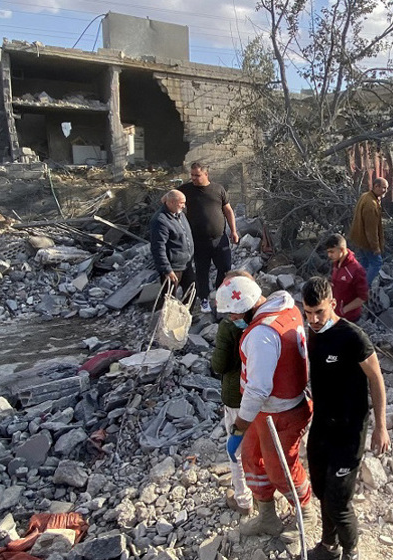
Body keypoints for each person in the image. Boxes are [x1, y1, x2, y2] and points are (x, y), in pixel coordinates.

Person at [217, 272, 313, 537]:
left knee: (281, 468)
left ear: (245, 307)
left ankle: (305, 512)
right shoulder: (286, 308)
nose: (232, 320)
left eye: (234, 315)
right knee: (252, 458)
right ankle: (267, 517)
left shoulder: (261, 334)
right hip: (269, 411)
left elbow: (258, 388)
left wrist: (238, 427)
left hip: (280, 413)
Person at [301, 277, 390, 560]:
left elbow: (376, 378)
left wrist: (381, 426)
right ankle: (329, 546)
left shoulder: (353, 337)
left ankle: (351, 553)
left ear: (333, 304)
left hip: (350, 431)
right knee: (321, 490)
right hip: (322, 427)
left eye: (319, 313)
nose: (314, 319)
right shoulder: (312, 334)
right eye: (308, 313)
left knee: (339, 500)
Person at [210, 283, 253, 515]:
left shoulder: (228, 328)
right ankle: (264, 490)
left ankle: (243, 499)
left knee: (235, 450)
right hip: (259, 398)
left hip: (236, 397)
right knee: (259, 447)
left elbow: (218, 365)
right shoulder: (260, 320)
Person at [180, 162, 240, 314]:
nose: (193, 178)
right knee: (202, 271)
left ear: (206, 175)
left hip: (220, 238)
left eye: (197, 175)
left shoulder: (218, 189)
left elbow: (228, 210)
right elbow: (171, 200)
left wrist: (233, 231)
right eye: (192, 175)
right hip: (198, 241)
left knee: (225, 267)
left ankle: (220, 294)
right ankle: (204, 299)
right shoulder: (186, 190)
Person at [149, 189, 196, 299]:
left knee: (192, 290)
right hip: (173, 267)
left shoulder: (180, 215)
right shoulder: (160, 221)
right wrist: (167, 269)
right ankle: (168, 316)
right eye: (181, 203)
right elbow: (158, 247)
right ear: (171, 202)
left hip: (186, 264)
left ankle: (185, 314)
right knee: (169, 298)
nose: (184, 206)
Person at [349, 177, 388, 286]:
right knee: (377, 263)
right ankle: (363, 289)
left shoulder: (365, 196)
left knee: (364, 262)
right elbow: (371, 230)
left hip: (359, 239)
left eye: (386, 188)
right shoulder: (371, 204)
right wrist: (376, 248)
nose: (385, 190)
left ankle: (355, 285)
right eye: (383, 188)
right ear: (376, 186)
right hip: (366, 241)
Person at [325, 233, 369, 323]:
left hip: (349, 318)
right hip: (334, 314)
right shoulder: (336, 263)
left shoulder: (356, 270)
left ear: (341, 250)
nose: (329, 255)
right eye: (328, 252)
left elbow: (363, 297)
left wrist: (343, 310)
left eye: (332, 252)